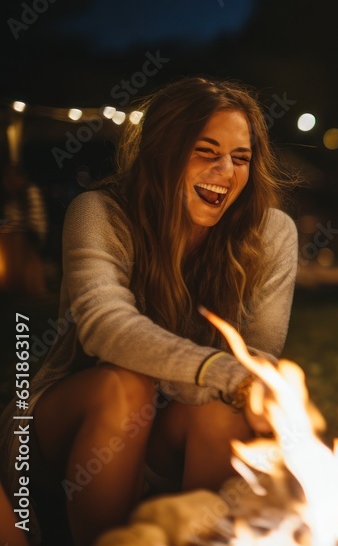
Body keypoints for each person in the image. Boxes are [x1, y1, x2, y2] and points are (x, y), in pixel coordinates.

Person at [0, 77, 297, 545]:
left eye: (241, 158)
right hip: (73, 427)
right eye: (206, 151)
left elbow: (256, 359)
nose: (226, 170)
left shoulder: (270, 233)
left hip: (177, 428)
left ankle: (192, 535)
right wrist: (218, 371)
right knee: (127, 384)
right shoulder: (100, 212)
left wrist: (242, 386)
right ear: (163, 152)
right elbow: (104, 326)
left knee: (223, 412)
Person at [0, 163, 48, 296]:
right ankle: (12, 283)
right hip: (17, 235)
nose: (7, 183)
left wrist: (15, 228)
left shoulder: (30, 192)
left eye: (11, 178)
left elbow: (33, 219)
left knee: (19, 246)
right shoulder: (12, 198)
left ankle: (29, 286)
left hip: (31, 233)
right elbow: (10, 218)